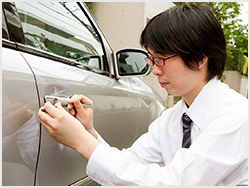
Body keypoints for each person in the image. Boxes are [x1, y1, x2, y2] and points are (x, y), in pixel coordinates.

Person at [37, 3, 248, 186]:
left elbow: (174, 183)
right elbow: (130, 165)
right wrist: (89, 133)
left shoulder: (235, 117)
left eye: (161, 59)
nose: (155, 70)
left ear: (200, 58)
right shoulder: (172, 119)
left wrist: (81, 141)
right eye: (151, 59)